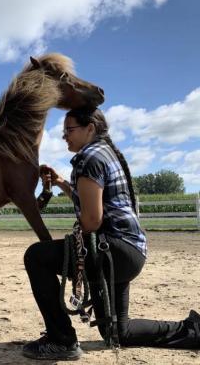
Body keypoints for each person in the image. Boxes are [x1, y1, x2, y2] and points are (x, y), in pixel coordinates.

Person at [22, 107, 200, 361]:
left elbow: (92, 220)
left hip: (111, 251)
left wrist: (74, 242)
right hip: (128, 252)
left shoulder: (88, 158)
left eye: (69, 130)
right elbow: (94, 203)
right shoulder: (105, 153)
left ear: (90, 128)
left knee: (37, 256)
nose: (64, 136)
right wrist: (62, 183)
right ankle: (192, 331)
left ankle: (60, 339)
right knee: (116, 331)